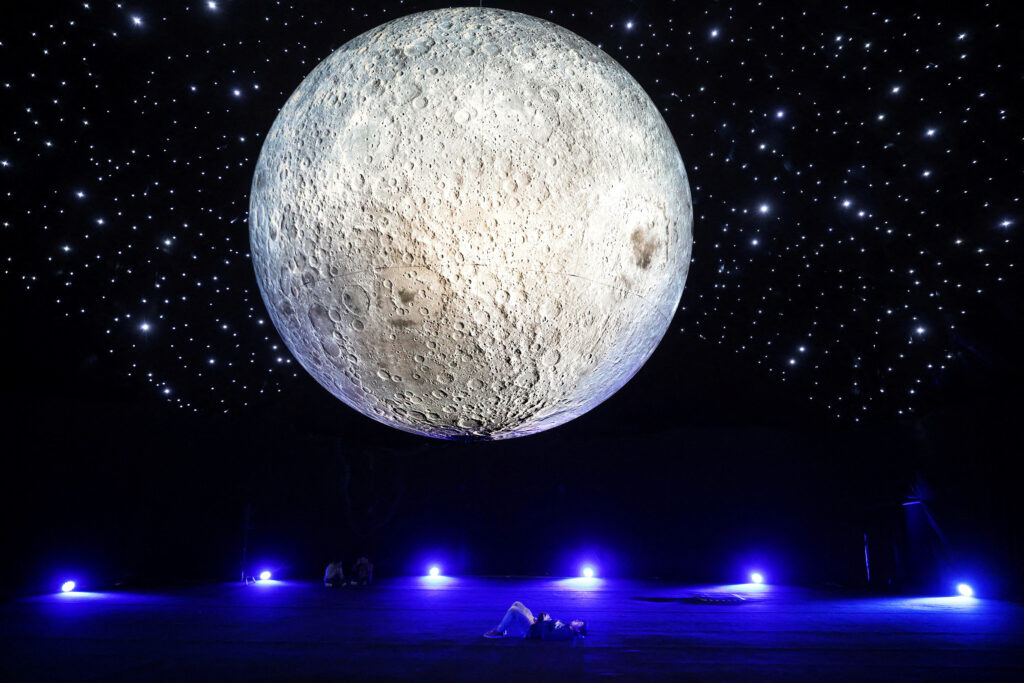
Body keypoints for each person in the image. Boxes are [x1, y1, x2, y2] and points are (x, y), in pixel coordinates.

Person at [483, 601, 587, 641]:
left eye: (580, 623)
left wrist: (544, 621)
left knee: (514, 610)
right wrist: (546, 619)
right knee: (517, 604)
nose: (577, 621)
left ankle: (499, 631)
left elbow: (547, 636)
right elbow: (552, 625)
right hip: (536, 624)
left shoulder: (565, 632)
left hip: (531, 631)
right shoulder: (566, 625)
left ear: (578, 630)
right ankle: (501, 629)